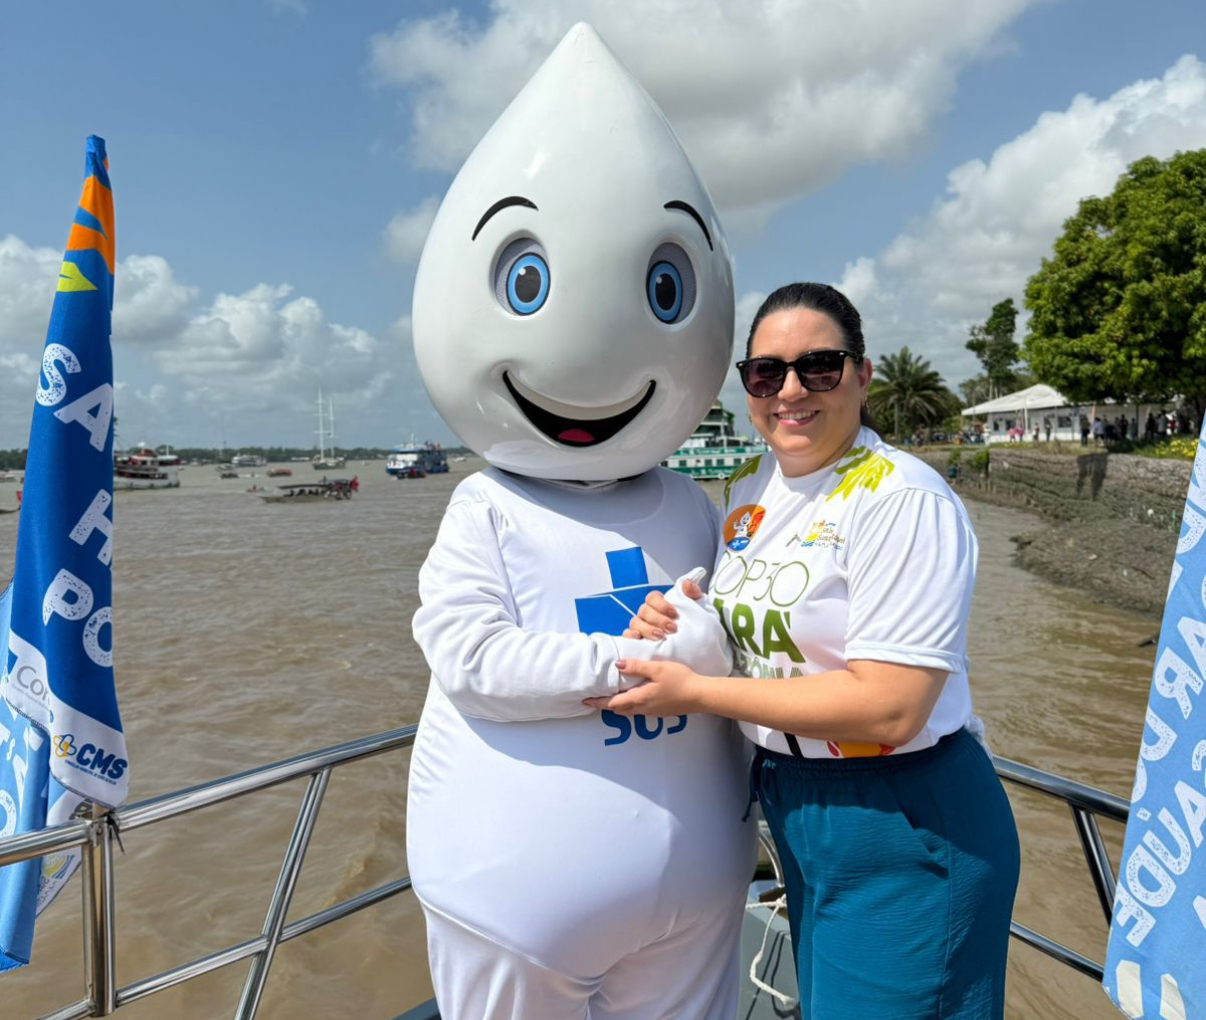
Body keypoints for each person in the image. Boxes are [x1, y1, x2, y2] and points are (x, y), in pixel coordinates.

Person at [405, 24, 754, 1020]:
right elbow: (469, 655)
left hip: (699, 906)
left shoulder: (697, 507)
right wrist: (635, 668)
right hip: (514, 906)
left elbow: (745, 650)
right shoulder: (485, 505)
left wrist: (708, 654)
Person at [589, 282, 1020, 1020]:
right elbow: (752, 639)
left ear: (861, 374)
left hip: (902, 819)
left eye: (818, 367)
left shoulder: (899, 499)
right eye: (766, 373)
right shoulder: (753, 492)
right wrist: (679, 618)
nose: (790, 390)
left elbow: (890, 705)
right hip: (795, 808)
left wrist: (692, 695)